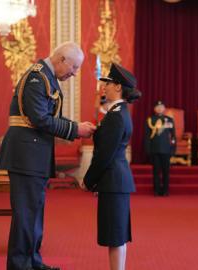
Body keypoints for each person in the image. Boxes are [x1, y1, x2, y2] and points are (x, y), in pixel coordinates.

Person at [0, 41, 96, 270]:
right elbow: (39, 119)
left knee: (34, 212)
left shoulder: (45, 78)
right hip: (26, 155)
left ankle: (32, 261)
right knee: (25, 214)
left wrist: (73, 127)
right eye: (74, 67)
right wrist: (74, 129)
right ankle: (20, 265)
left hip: (33, 154)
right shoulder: (37, 78)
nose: (75, 73)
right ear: (62, 60)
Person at [83, 63, 141, 270]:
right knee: (115, 235)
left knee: (115, 236)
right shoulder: (118, 113)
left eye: (107, 83)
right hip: (115, 181)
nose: (103, 87)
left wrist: (89, 180)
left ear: (118, 87)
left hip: (113, 180)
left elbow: (105, 154)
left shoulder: (116, 116)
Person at [144, 100, 176, 196]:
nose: (159, 108)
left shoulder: (169, 120)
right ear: (154, 109)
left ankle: (165, 190)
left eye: (161, 106)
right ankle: (157, 190)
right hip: (155, 149)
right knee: (156, 172)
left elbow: (173, 136)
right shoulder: (150, 120)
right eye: (158, 107)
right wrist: (148, 149)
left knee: (166, 172)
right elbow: (147, 136)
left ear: (164, 108)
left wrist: (173, 149)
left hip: (166, 150)